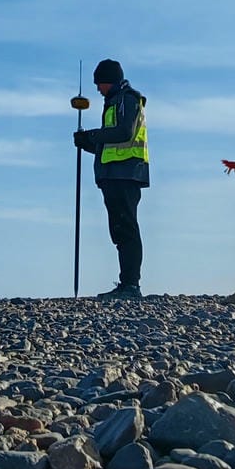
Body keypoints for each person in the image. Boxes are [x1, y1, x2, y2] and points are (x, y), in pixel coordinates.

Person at [72, 59, 148, 299]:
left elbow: (124, 132)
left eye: (99, 83)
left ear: (109, 81)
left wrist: (93, 136)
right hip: (115, 174)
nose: (97, 89)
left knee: (126, 228)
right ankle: (126, 284)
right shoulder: (115, 102)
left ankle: (131, 285)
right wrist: (87, 143)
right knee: (119, 229)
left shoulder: (127, 99)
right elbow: (112, 144)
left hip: (126, 174)